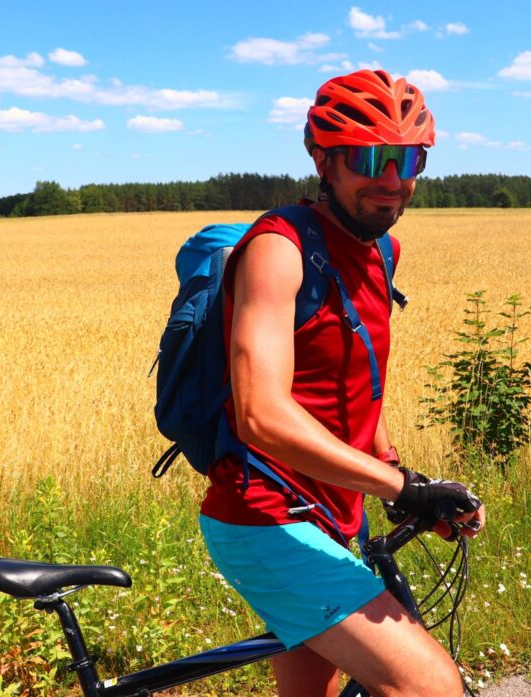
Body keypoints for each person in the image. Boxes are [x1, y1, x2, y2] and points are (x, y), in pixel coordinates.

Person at [198, 69, 485, 697]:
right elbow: (261, 416)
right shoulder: (280, 248)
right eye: (369, 158)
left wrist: (398, 474)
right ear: (323, 160)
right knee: (429, 688)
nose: (392, 181)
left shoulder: (382, 252)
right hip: (266, 519)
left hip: (332, 518)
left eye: (409, 160)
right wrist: (402, 488)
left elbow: (352, 381)